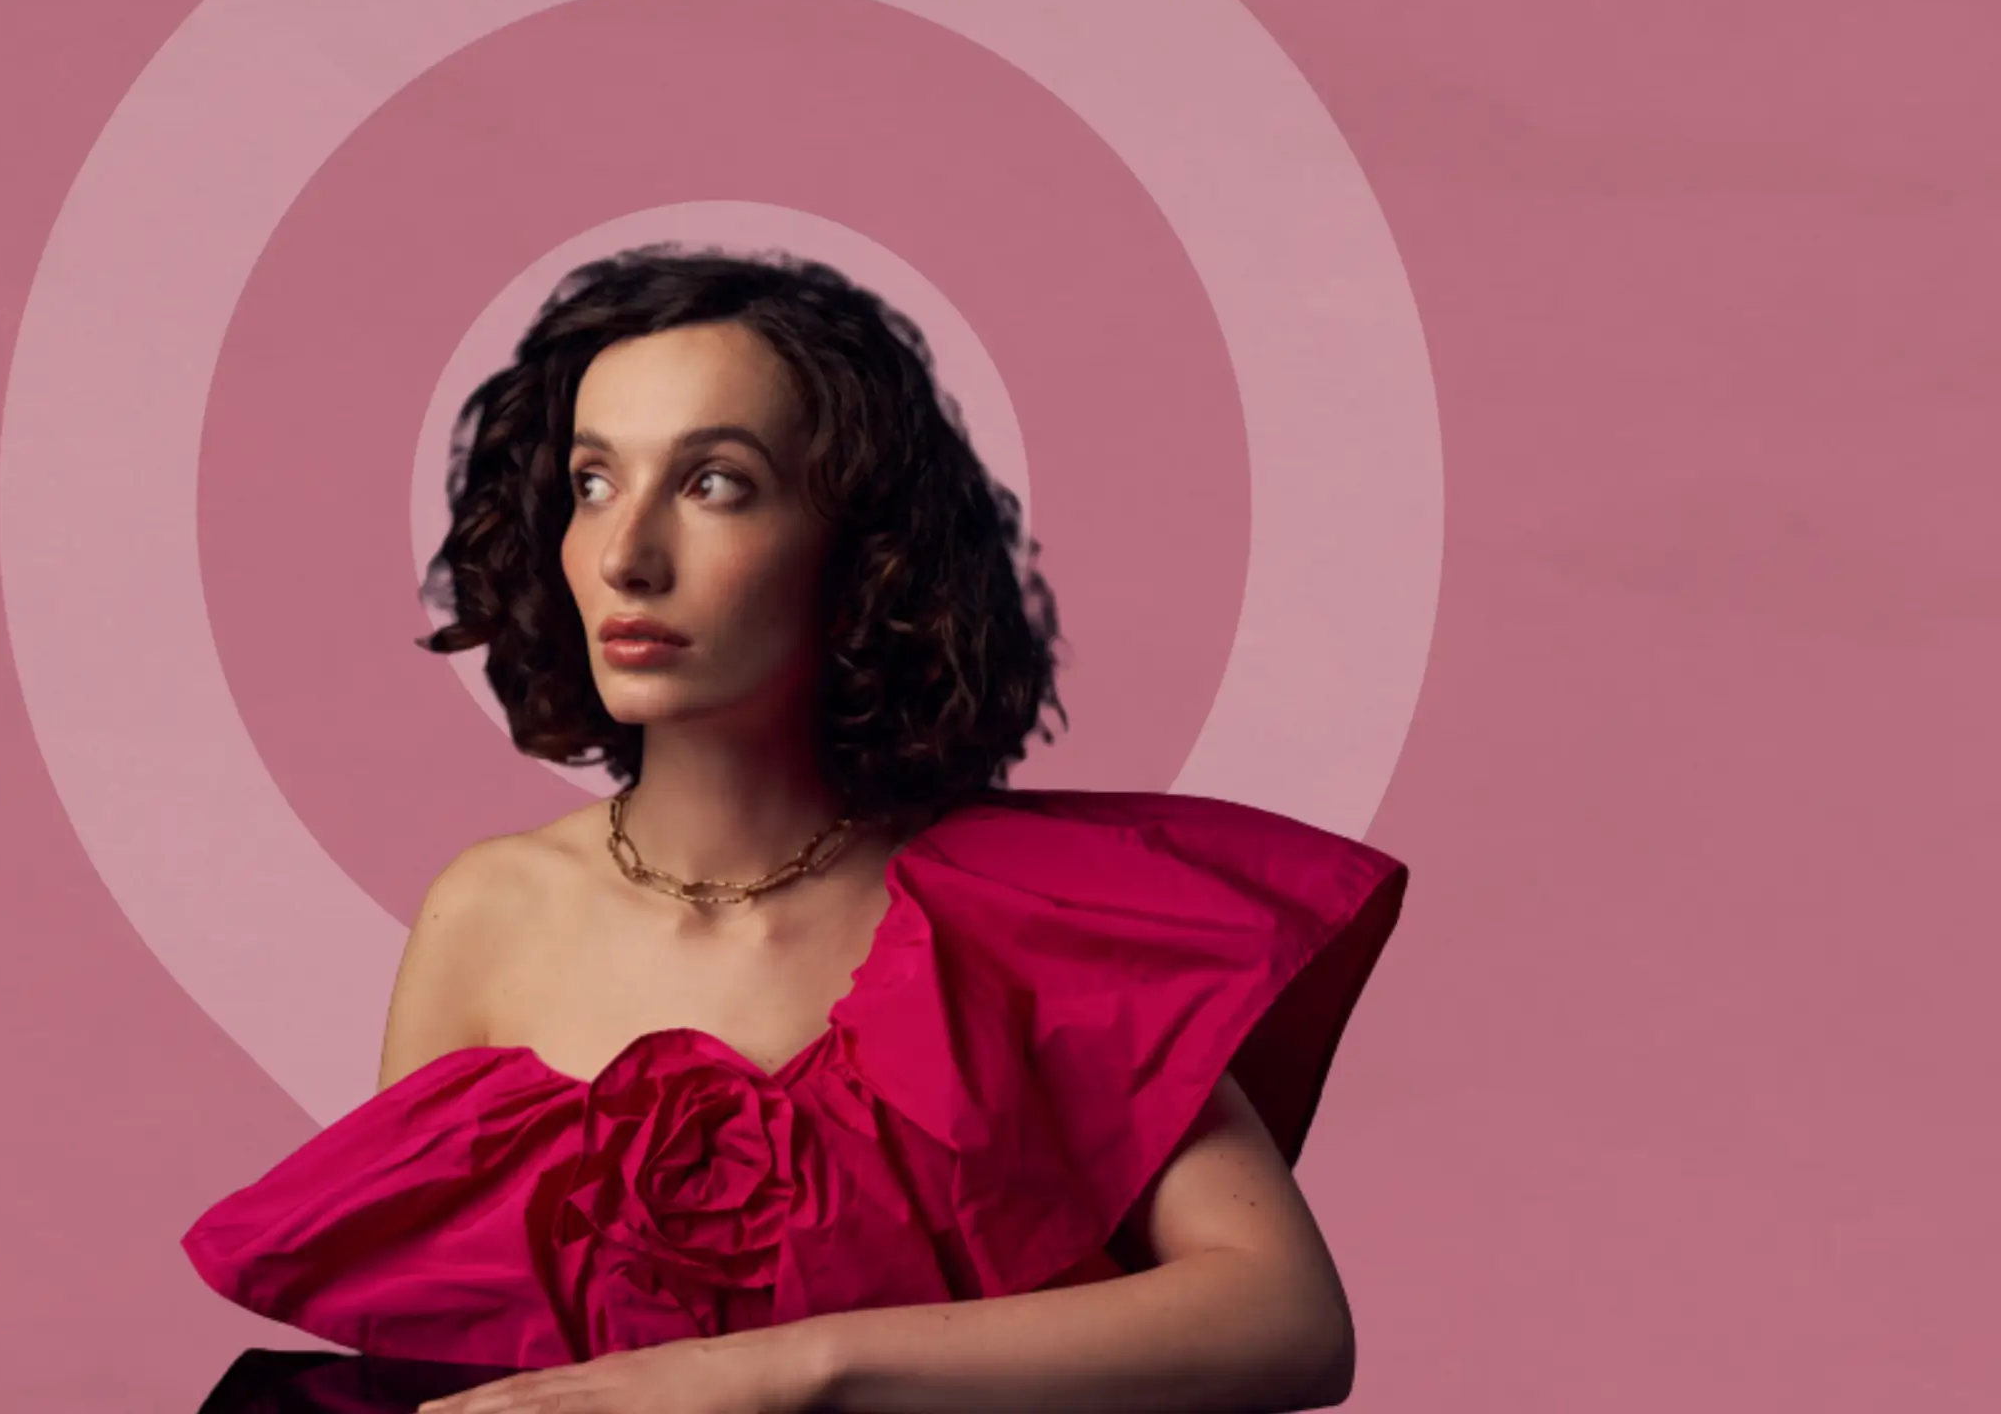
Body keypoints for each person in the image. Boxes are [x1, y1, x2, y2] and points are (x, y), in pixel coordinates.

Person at [182, 247, 1410, 1413]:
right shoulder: (488, 914)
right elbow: (435, 1348)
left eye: (716, 484)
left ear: (860, 548)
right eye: (592, 484)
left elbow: (1285, 1321)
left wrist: (780, 1376)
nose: (626, 554)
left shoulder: (1031, 919)